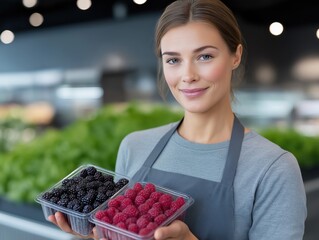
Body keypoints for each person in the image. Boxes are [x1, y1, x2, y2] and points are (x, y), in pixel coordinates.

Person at [49, 0, 307, 239]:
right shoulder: (135, 146)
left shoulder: (273, 168)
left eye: (205, 56)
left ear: (235, 56)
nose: (188, 75)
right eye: (173, 60)